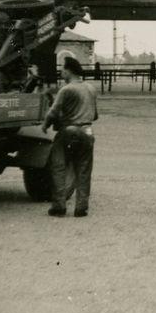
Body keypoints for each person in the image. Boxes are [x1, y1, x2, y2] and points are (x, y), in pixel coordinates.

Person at [42, 56, 99, 218]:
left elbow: (53, 111)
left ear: (68, 71)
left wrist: (45, 125)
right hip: (88, 132)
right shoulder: (91, 89)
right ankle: (81, 208)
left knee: (59, 166)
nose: (61, 71)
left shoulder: (66, 89)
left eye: (62, 69)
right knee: (84, 169)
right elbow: (95, 115)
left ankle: (59, 206)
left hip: (69, 131)